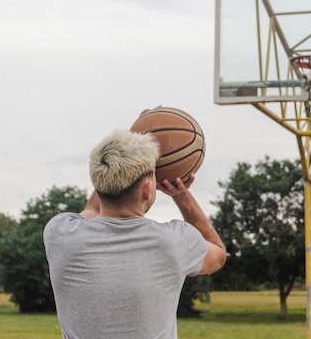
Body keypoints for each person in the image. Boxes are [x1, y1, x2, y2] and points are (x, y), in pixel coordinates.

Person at [43, 129, 226, 339]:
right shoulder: (176, 242)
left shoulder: (60, 234)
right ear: (148, 190)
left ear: (97, 182)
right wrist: (181, 194)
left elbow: (93, 210)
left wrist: (126, 144)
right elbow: (218, 254)